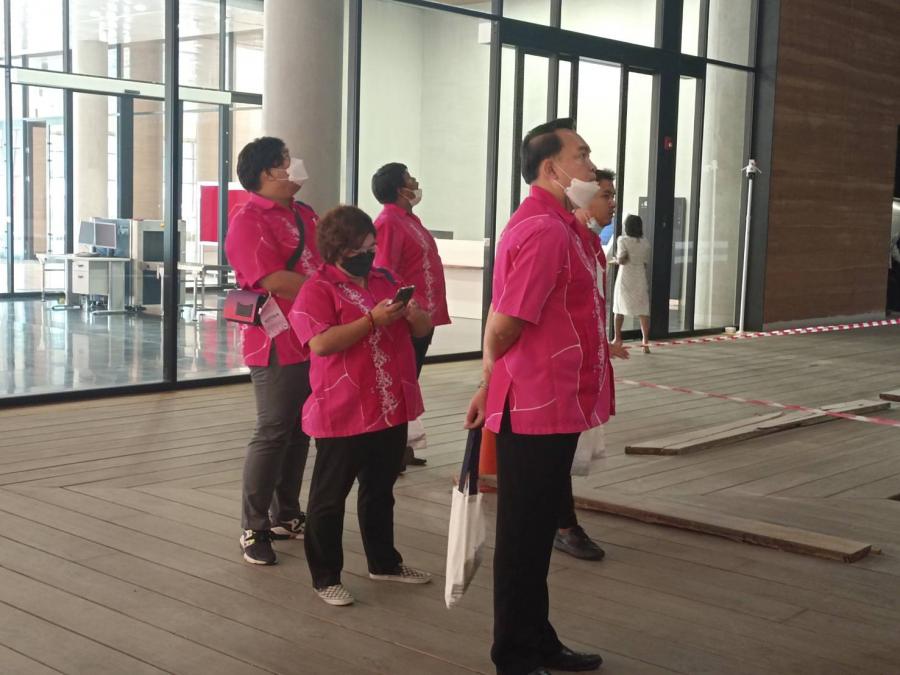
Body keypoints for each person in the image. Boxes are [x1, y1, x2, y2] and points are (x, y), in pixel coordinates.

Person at [466, 118, 606, 675]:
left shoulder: (563, 225)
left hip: (554, 401)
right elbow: (506, 321)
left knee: (536, 531)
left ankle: (538, 640)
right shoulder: (544, 230)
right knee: (522, 538)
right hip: (534, 402)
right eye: (582, 155)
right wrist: (488, 378)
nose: (591, 164)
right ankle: (516, 656)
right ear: (552, 168)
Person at [290, 205, 434, 607]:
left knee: (380, 489)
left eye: (372, 247)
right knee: (329, 496)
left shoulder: (386, 279)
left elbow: (422, 329)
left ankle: (384, 562)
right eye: (359, 249)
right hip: (344, 405)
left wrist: (414, 315)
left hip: (389, 402)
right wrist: (371, 320)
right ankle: (325, 576)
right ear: (337, 249)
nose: (368, 256)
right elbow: (320, 343)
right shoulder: (318, 289)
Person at [225, 137, 323, 566]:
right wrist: (328, 292)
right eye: (286, 162)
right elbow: (271, 278)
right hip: (276, 338)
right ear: (268, 173)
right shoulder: (248, 219)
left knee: (300, 429)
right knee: (274, 428)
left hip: (313, 334)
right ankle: (254, 525)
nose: (294, 166)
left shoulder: (304, 213)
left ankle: (286, 514)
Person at [553, 168, 629, 562]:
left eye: (613, 194)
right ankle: (563, 526)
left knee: (566, 449)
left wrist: (602, 344)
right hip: (560, 369)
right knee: (557, 451)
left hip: (585, 364)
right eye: (605, 194)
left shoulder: (591, 244)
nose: (612, 202)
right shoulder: (562, 238)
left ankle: (561, 522)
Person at [371, 163, 451, 469]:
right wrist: (404, 309)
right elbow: (384, 271)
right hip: (409, 316)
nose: (415, 182)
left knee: (409, 380)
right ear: (399, 189)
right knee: (401, 381)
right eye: (409, 179)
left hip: (422, 315)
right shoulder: (389, 222)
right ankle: (391, 450)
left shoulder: (408, 220)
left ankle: (400, 446)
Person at [612, 214, 652, 352]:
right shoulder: (645, 243)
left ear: (627, 227)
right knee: (643, 310)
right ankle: (645, 341)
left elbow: (622, 259)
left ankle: (617, 338)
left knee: (619, 307)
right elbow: (645, 263)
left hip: (626, 276)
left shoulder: (622, 240)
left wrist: (616, 259)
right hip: (640, 276)